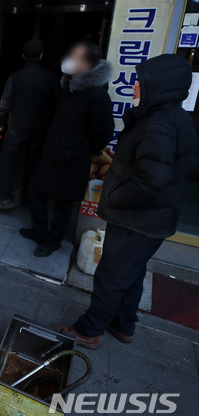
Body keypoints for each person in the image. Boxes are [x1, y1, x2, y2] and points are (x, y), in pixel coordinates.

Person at [56, 54, 197, 349]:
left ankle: (89, 330)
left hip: (137, 220)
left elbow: (152, 180)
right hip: (150, 220)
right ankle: (122, 324)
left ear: (158, 86)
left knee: (111, 276)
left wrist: (116, 198)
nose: (134, 86)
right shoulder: (173, 116)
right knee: (131, 275)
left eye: (140, 81)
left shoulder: (158, 124)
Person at [21, 40, 114, 257]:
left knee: (62, 205)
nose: (69, 60)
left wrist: (78, 149)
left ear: (88, 64)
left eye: (75, 57)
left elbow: (103, 132)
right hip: (51, 154)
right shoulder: (69, 87)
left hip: (71, 160)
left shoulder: (97, 94)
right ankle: (39, 231)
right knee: (35, 191)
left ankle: (53, 241)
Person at [0, 40, 59, 211]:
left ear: (23, 56)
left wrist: (0, 124)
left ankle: (6, 198)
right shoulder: (52, 77)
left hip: (17, 126)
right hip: (42, 127)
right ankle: (28, 197)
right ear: (41, 55)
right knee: (34, 162)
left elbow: (5, 103)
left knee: (6, 160)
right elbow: (57, 105)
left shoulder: (16, 76)